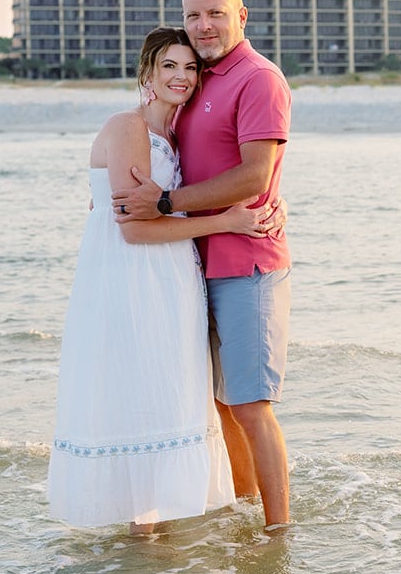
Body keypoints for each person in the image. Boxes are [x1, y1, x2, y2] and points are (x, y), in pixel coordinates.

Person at [48, 27, 273, 533]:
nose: (182, 77)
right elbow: (136, 230)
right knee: (143, 394)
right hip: (135, 281)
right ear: (147, 72)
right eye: (169, 66)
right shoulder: (129, 126)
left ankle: (155, 538)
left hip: (171, 278)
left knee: (165, 394)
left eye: (190, 67)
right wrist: (227, 222)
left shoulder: (173, 134)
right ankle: (142, 542)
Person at [112, 0, 294, 527]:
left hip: (246, 262)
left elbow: (255, 174)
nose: (203, 26)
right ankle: (243, 509)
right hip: (190, 266)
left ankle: (278, 530)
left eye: (215, 13)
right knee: (216, 405)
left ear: (243, 16)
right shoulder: (197, 79)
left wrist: (165, 202)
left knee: (250, 405)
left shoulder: (259, 79)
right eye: (193, 16)